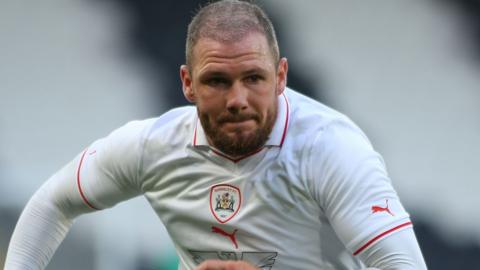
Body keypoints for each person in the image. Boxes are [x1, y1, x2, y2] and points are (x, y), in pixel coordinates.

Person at [5, 1, 428, 269]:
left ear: (281, 76)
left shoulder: (331, 149)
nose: (238, 99)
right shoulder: (152, 146)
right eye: (218, 81)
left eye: (254, 77)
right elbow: (52, 203)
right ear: (188, 83)